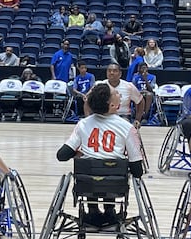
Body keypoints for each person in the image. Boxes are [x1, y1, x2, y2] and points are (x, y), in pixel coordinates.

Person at [56, 82, 144, 226]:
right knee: (113, 169)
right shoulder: (127, 128)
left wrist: (78, 153)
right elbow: (137, 170)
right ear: (112, 105)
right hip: (115, 185)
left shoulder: (83, 124)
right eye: (116, 93)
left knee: (92, 169)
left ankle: (92, 210)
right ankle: (110, 210)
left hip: (86, 183)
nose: (119, 94)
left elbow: (62, 155)